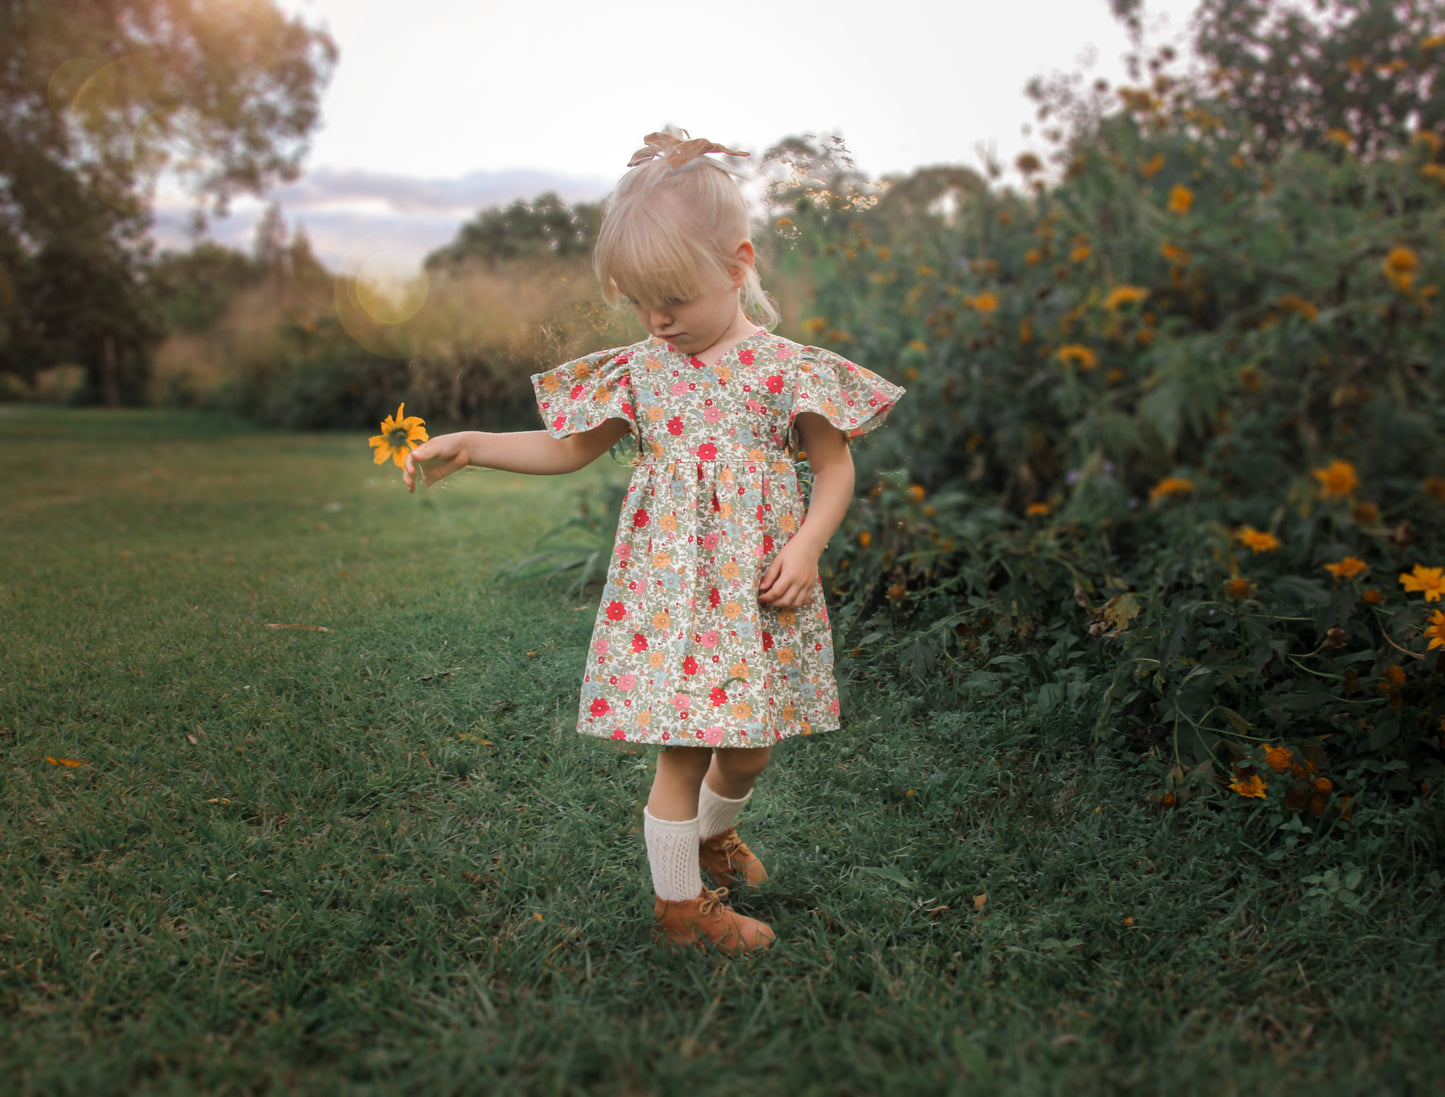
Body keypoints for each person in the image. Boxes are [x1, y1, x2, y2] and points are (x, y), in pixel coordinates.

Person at [404, 128, 904, 956]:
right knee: (683, 754)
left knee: (748, 748)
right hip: (672, 601)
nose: (657, 319)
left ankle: (711, 837)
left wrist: (808, 543)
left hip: (754, 591)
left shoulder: (787, 370)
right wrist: (473, 443)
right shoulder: (640, 370)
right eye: (638, 301)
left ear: (737, 265)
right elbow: (566, 448)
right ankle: (681, 910)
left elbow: (833, 466)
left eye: (673, 296)